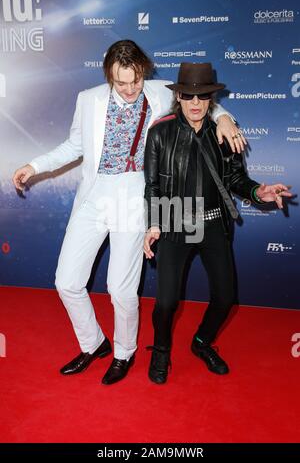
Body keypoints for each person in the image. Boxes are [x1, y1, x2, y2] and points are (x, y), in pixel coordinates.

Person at [12, 41, 246, 386]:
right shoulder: (87, 99)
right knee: (67, 281)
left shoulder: (158, 91)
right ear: (109, 75)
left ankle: (124, 351)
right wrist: (35, 165)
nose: (130, 88)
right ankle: (94, 344)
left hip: (133, 198)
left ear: (144, 72)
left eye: (136, 80)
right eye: (122, 83)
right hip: (93, 197)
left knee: (120, 289)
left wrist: (225, 117)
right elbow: (74, 146)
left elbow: (200, 104)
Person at [143, 62, 292, 384]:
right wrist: (153, 224)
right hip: (173, 219)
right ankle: (161, 350)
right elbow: (152, 185)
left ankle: (201, 342)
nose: (195, 103)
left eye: (203, 96)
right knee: (167, 301)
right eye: (189, 96)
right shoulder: (160, 132)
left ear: (212, 98)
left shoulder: (224, 133)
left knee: (225, 298)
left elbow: (237, 178)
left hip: (212, 223)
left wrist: (257, 191)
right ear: (178, 96)